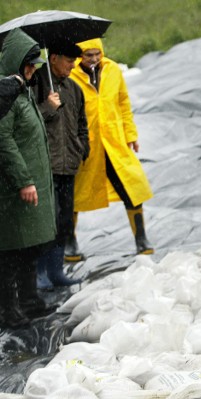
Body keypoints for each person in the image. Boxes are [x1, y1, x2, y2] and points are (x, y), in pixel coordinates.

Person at [69, 38, 154, 259]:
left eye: (98, 54)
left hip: (114, 142)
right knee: (75, 193)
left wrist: (131, 134)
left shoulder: (113, 69)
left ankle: (141, 238)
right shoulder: (71, 75)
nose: (94, 59)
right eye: (89, 55)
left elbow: (123, 103)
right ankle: (69, 241)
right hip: (85, 145)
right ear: (80, 56)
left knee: (131, 187)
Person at [0, 28, 57, 328]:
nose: (34, 70)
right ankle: (9, 309)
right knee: (11, 250)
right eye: (29, 65)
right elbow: (4, 141)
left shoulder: (21, 92)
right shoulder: (7, 96)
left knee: (29, 247)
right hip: (13, 190)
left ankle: (29, 300)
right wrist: (23, 180)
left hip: (30, 184)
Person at [33, 41, 89, 289]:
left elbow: (82, 125)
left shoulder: (74, 89)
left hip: (69, 166)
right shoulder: (36, 84)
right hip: (46, 167)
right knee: (47, 222)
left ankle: (56, 271)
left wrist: (82, 149)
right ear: (53, 58)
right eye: (68, 62)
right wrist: (48, 107)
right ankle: (40, 273)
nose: (72, 67)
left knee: (65, 221)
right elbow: (28, 123)